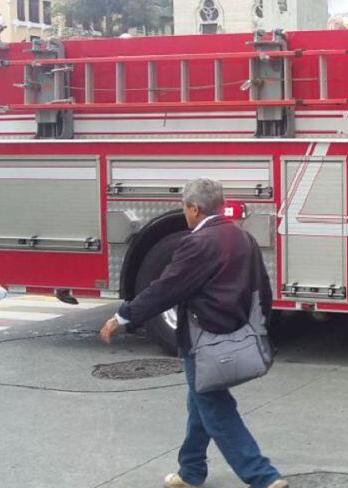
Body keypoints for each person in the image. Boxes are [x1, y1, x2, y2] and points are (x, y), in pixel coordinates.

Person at [100, 179, 287, 488]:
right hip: (236, 333)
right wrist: (261, 325)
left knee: (214, 406)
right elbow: (262, 290)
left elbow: (165, 288)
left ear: (194, 208)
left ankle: (263, 477)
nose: (184, 213)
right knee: (199, 401)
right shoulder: (243, 237)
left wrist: (123, 316)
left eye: (184, 207)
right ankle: (190, 471)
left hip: (204, 340)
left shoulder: (197, 244)